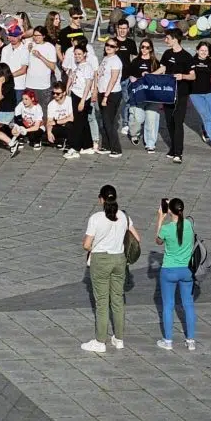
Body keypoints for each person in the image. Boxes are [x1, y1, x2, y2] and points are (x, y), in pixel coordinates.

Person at [80, 185, 139, 353]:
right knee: (118, 300)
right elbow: (137, 237)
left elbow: (86, 245)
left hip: (101, 260)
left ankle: (100, 341)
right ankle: (119, 339)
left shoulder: (96, 218)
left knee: (102, 302)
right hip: (119, 260)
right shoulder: (124, 216)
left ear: (101, 199)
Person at [155, 198, 197, 350]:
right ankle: (191, 340)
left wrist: (160, 217)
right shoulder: (189, 225)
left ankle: (168, 341)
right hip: (187, 270)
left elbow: (158, 241)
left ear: (170, 211)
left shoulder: (167, 228)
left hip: (169, 270)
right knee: (188, 305)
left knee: (168, 305)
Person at [158, 30, 195, 163]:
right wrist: (151, 75)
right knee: (169, 122)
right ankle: (173, 148)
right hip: (168, 93)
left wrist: (182, 76)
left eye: (167, 38)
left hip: (181, 94)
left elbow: (193, 75)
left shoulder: (186, 56)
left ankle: (178, 153)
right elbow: (163, 69)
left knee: (178, 122)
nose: (165, 40)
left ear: (175, 39)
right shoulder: (167, 54)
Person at [128, 39, 161, 152]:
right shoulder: (135, 61)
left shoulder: (155, 62)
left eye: (147, 47)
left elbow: (160, 78)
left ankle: (150, 143)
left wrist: (150, 75)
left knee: (152, 118)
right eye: (142, 47)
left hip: (152, 96)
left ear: (151, 49)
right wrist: (133, 78)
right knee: (138, 118)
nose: (144, 49)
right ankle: (134, 134)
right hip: (138, 95)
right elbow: (130, 75)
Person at [64, 44, 97, 159]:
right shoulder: (78, 65)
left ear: (85, 54)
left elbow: (88, 84)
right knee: (83, 122)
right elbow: (73, 77)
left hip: (82, 96)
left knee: (77, 122)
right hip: (75, 94)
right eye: (75, 54)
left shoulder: (87, 67)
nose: (77, 56)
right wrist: (67, 89)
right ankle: (88, 145)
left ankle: (75, 147)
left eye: (79, 54)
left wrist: (82, 101)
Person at [189, 41, 211, 152]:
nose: (203, 52)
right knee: (206, 117)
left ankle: (204, 129)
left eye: (205, 51)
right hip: (195, 94)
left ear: (208, 52)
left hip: (209, 93)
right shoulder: (192, 61)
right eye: (201, 50)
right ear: (197, 50)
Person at [96, 38, 124, 157]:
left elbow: (113, 79)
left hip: (111, 94)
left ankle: (116, 148)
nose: (108, 47)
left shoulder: (116, 61)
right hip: (102, 91)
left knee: (108, 122)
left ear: (116, 49)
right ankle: (106, 145)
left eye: (112, 46)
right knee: (105, 121)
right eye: (107, 45)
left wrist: (106, 96)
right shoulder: (106, 58)